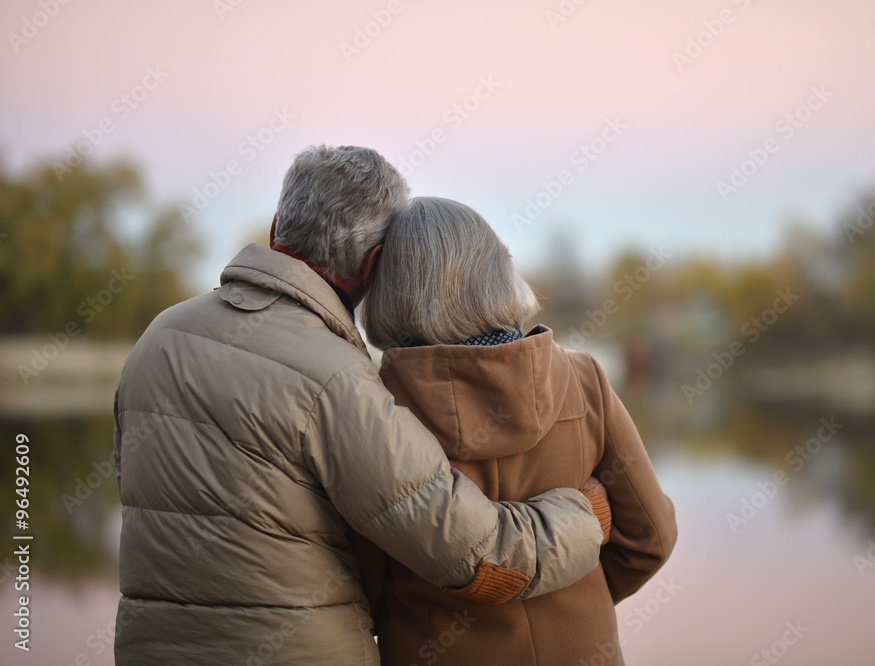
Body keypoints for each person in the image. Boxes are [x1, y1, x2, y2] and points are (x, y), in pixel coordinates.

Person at [112, 146, 612, 664]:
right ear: (376, 263)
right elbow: (478, 556)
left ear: (277, 227)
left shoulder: (159, 336)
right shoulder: (335, 376)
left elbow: (134, 482)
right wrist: (586, 514)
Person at [355, 196, 678, 666]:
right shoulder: (585, 379)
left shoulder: (375, 409)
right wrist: (572, 599)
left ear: (389, 288)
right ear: (496, 270)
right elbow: (651, 537)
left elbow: (364, 584)